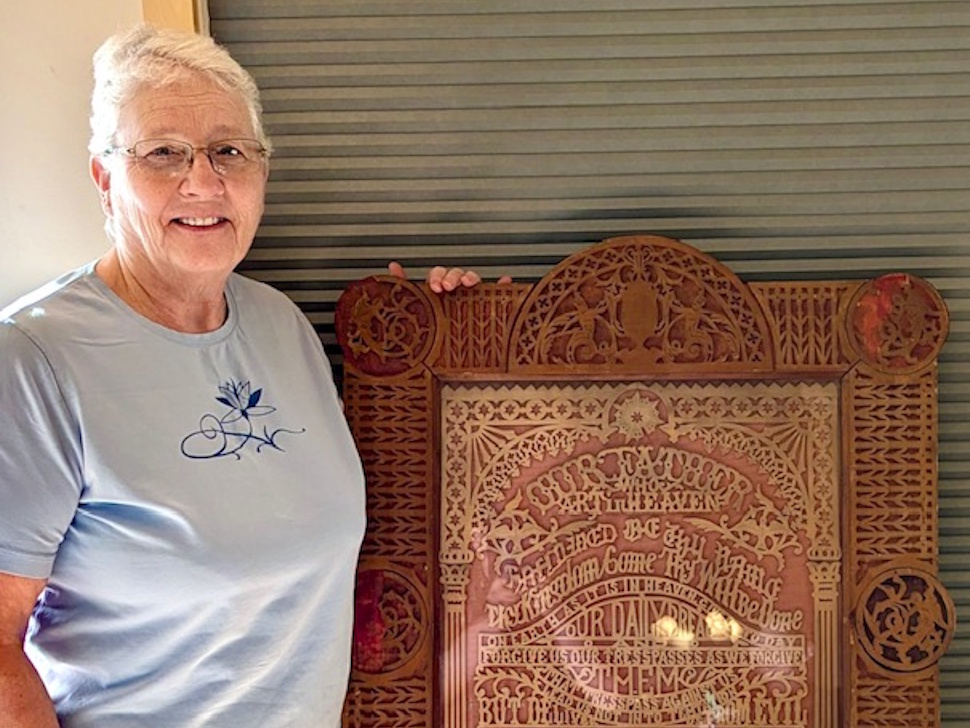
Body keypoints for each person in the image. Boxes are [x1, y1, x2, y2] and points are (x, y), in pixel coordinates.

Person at [0, 24, 490, 728]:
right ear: (106, 178)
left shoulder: (281, 325)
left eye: (230, 150)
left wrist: (466, 336)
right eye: (163, 153)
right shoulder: (33, 359)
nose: (203, 181)